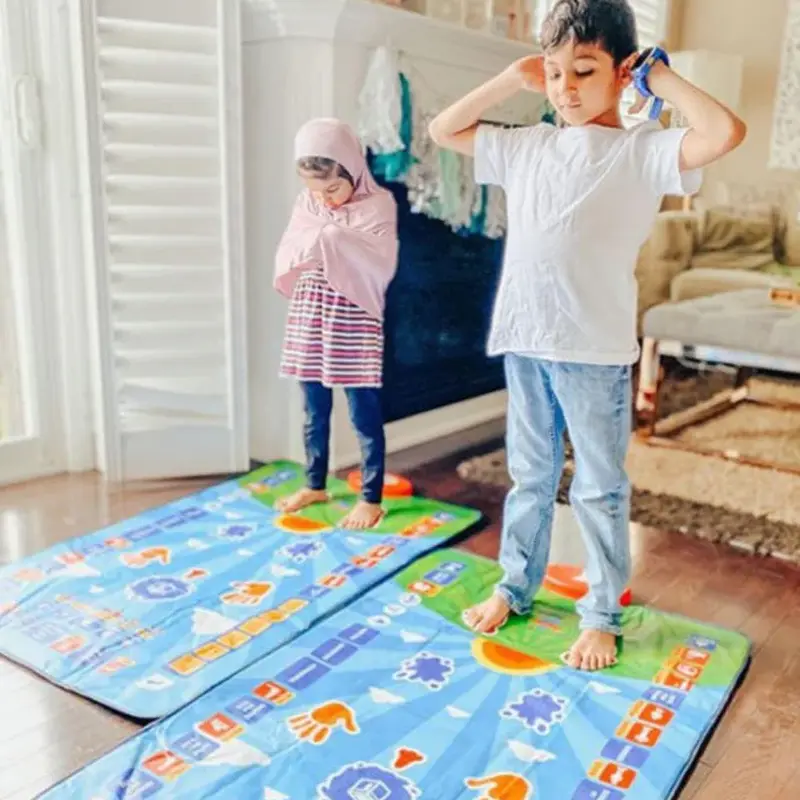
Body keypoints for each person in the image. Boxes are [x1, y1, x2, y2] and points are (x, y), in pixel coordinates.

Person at [429, 0, 745, 670]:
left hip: (593, 351)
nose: (565, 88)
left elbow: (724, 132)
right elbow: (441, 129)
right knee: (529, 476)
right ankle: (515, 585)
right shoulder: (528, 145)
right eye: (554, 73)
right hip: (525, 338)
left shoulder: (642, 150)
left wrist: (659, 79)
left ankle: (602, 614)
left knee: (599, 487)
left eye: (583, 70)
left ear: (620, 70)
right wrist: (511, 80)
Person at [274, 118, 399, 529]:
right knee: (313, 409)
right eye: (315, 191)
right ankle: (314, 483)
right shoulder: (307, 204)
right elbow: (293, 248)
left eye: (332, 190)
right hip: (310, 315)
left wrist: (329, 239)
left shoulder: (378, 205)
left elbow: (377, 261)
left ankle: (371, 497)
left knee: (363, 411)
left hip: (352, 318)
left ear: (353, 170)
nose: (324, 200)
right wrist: (327, 236)